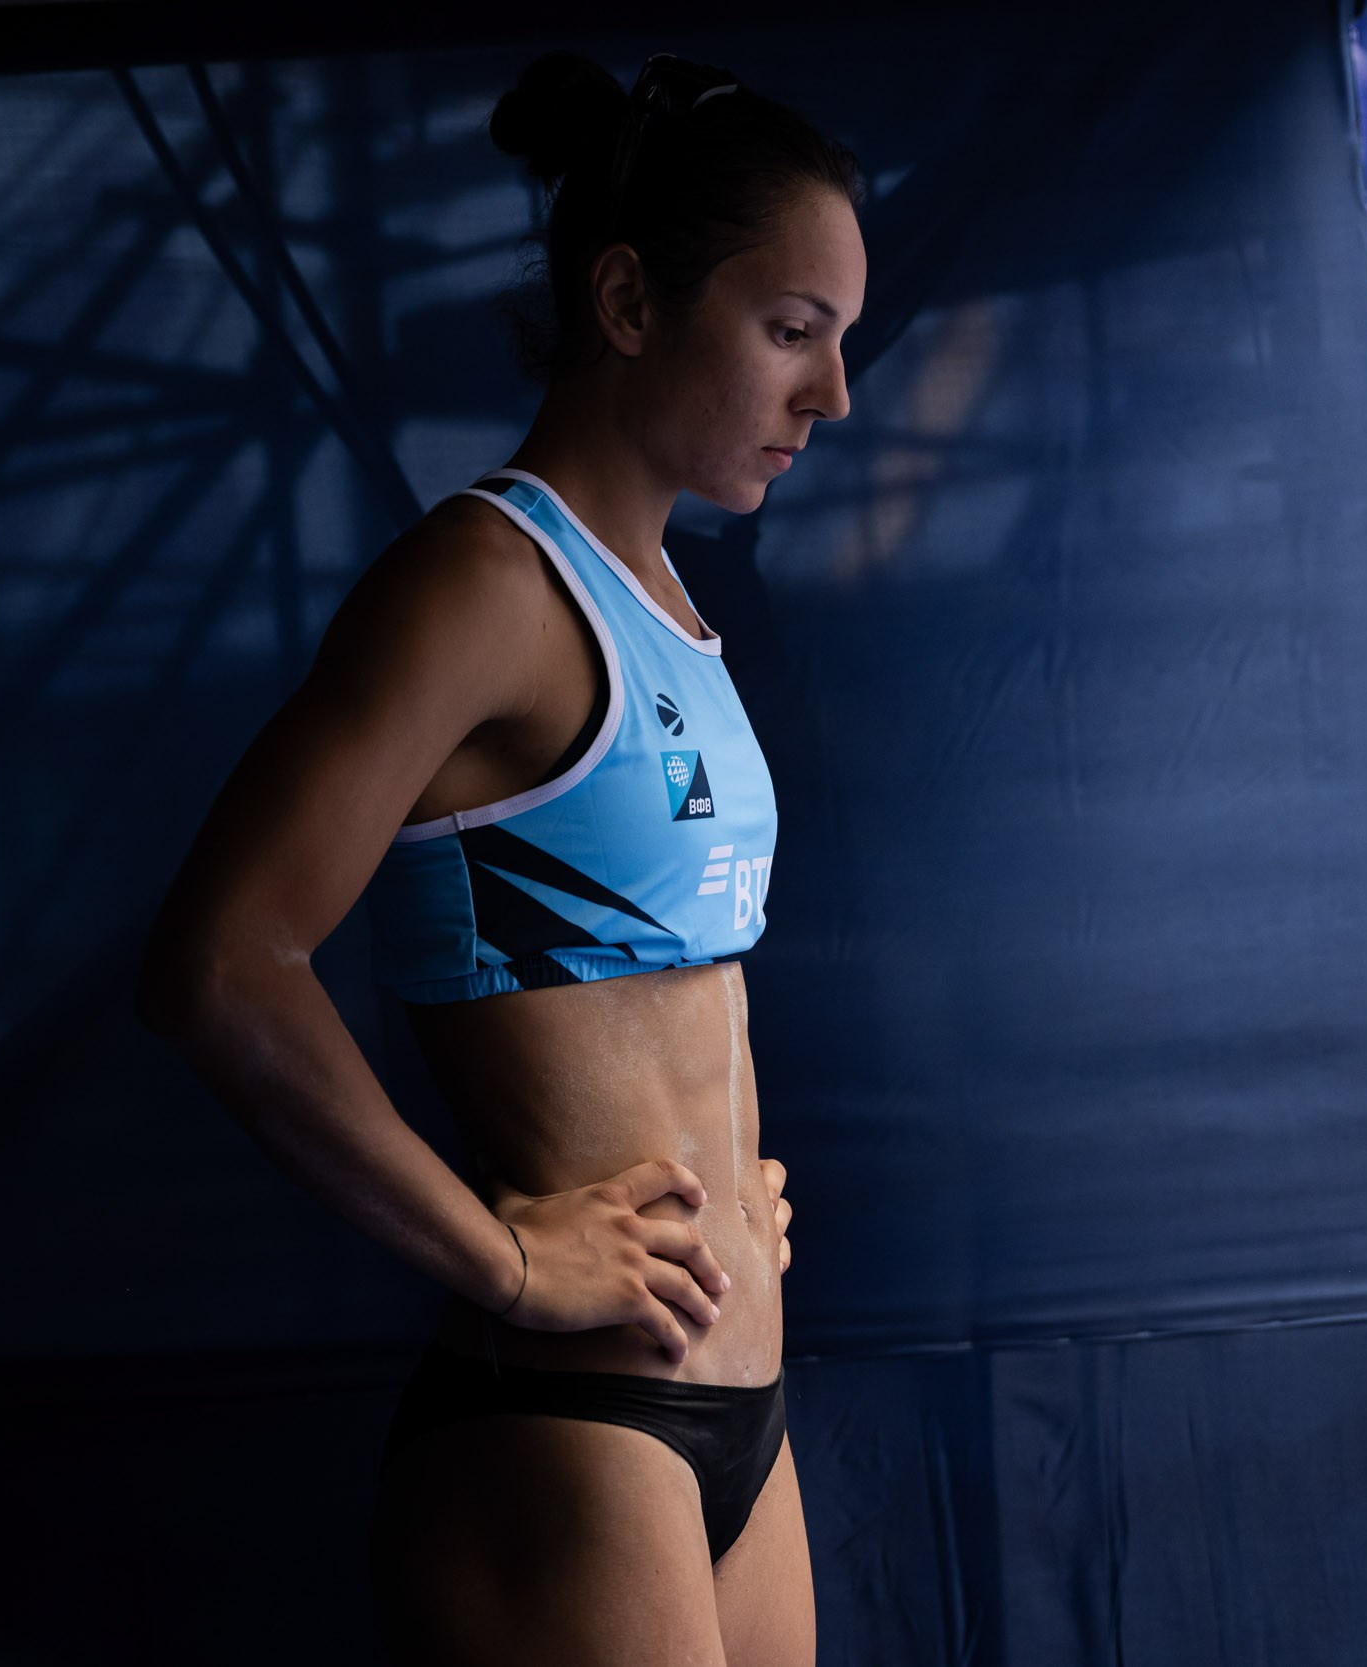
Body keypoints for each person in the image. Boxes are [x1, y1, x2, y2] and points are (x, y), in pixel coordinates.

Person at [136, 50, 864, 1667]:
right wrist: (510, 1260)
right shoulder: (483, 582)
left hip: (739, 1415)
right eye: (792, 333)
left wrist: (739, 1196)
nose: (834, 397)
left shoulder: (670, 604)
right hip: (571, 1425)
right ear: (625, 298)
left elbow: (658, 998)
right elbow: (216, 966)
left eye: (842, 341)